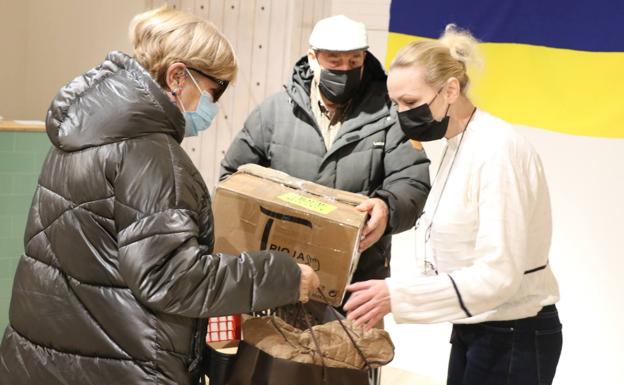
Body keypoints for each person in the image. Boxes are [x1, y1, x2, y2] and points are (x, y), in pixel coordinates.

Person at [0, 7, 319, 385]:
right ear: (178, 76)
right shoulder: (152, 156)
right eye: (214, 90)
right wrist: (282, 276)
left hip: (44, 358)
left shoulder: (82, 132)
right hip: (123, 365)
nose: (213, 106)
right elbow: (170, 279)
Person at [344, 25, 563, 385]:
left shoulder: (497, 151)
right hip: (478, 329)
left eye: (411, 102)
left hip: (514, 333)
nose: (401, 115)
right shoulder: (458, 145)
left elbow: (498, 274)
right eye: (395, 103)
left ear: (450, 89)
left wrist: (397, 295)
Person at [220, 15, 431, 301]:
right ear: (313, 58)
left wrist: (387, 208)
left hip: (357, 282)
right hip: (281, 279)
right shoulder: (274, 113)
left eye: (354, 62)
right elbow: (233, 178)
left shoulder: (388, 115)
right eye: (334, 62)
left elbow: (412, 181)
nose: (345, 70)